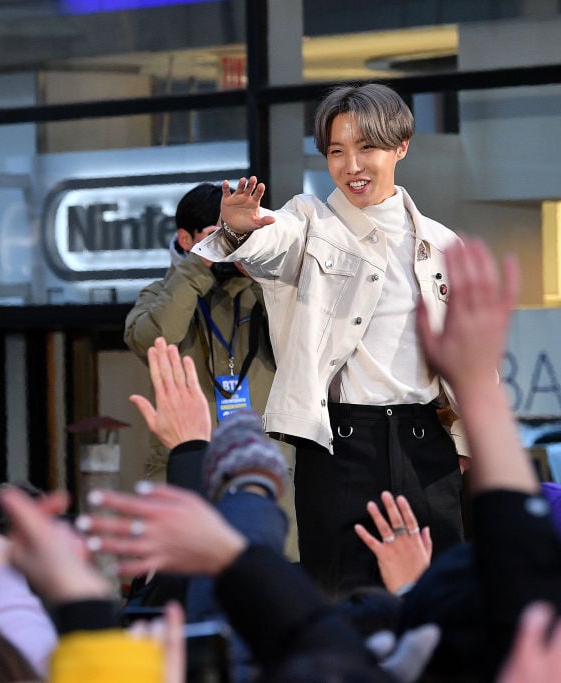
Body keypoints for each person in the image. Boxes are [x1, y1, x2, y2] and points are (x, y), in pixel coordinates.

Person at [192, 82, 467, 595]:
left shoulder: (443, 244)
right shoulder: (308, 220)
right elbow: (271, 239)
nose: (352, 166)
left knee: (440, 598)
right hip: (339, 444)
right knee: (341, 597)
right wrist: (241, 230)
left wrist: (468, 439)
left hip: (426, 443)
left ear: (401, 147)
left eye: (367, 147)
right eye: (336, 151)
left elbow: (470, 353)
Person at [125, 183, 277, 476]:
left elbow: (302, 346)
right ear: (185, 239)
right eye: (215, 236)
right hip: (188, 468)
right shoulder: (158, 295)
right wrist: (198, 266)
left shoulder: (264, 291)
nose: (227, 246)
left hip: (261, 471)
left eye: (234, 235)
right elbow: (153, 342)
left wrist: (261, 273)